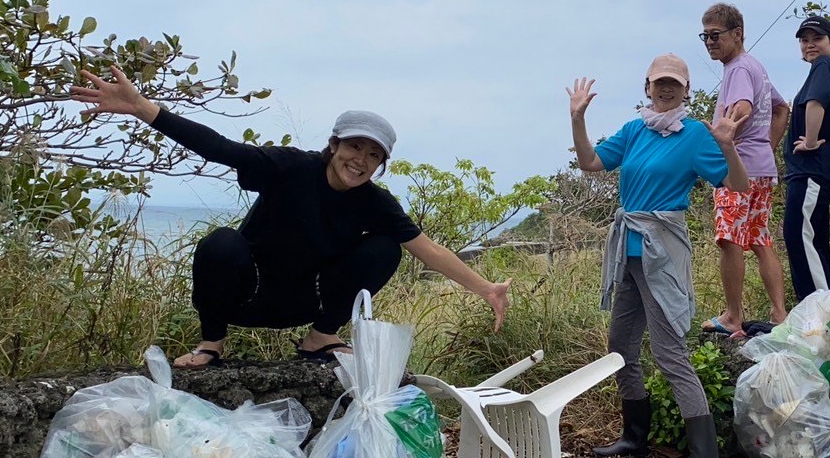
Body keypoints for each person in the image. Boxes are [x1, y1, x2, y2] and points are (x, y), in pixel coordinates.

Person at [72, 65, 510, 368]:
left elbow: (425, 249)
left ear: (381, 165)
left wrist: (486, 287)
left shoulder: (375, 202)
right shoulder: (290, 167)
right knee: (221, 243)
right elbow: (221, 148)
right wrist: (146, 109)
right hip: (249, 295)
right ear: (335, 144)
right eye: (355, 147)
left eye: (374, 155)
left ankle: (320, 339)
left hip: (307, 302)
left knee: (385, 247)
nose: (361, 160)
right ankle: (211, 344)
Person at [568, 55, 749, 458]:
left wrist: (727, 144)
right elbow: (591, 163)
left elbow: (738, 186)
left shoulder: (695, 136)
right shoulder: (634, 130)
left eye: (675, 84)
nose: (666, 90)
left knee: (670, 353)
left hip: (663, 251)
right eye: (658, 83)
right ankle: (635, 437)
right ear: (647, 87)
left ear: (686, 90)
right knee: (621, 347)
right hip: (628, 250)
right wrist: (577, 119)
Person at [698, 3, 790, 338]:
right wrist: (766, 146)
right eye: (705, 35)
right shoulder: (756, 67)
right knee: (761, 239)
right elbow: (782, 108)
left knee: (729, 241)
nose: (709, 42)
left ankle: (734, 316)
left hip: (738, 169)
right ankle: (780, 314)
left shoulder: (738, 68)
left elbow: (743, 108)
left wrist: (729, 133)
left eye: (716, 35)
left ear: (737, 34)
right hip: (762, 168)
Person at [783, 14, 830, 303]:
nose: (810, 45)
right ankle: (821, 305)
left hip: (813, 166)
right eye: (804, 40)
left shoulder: (826, 64)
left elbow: (816, 101)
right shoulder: (828, 68)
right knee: (814, 235)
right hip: (816, 167)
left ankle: (817, 306)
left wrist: (809, 140)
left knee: (799, 233)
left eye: (817, 39)